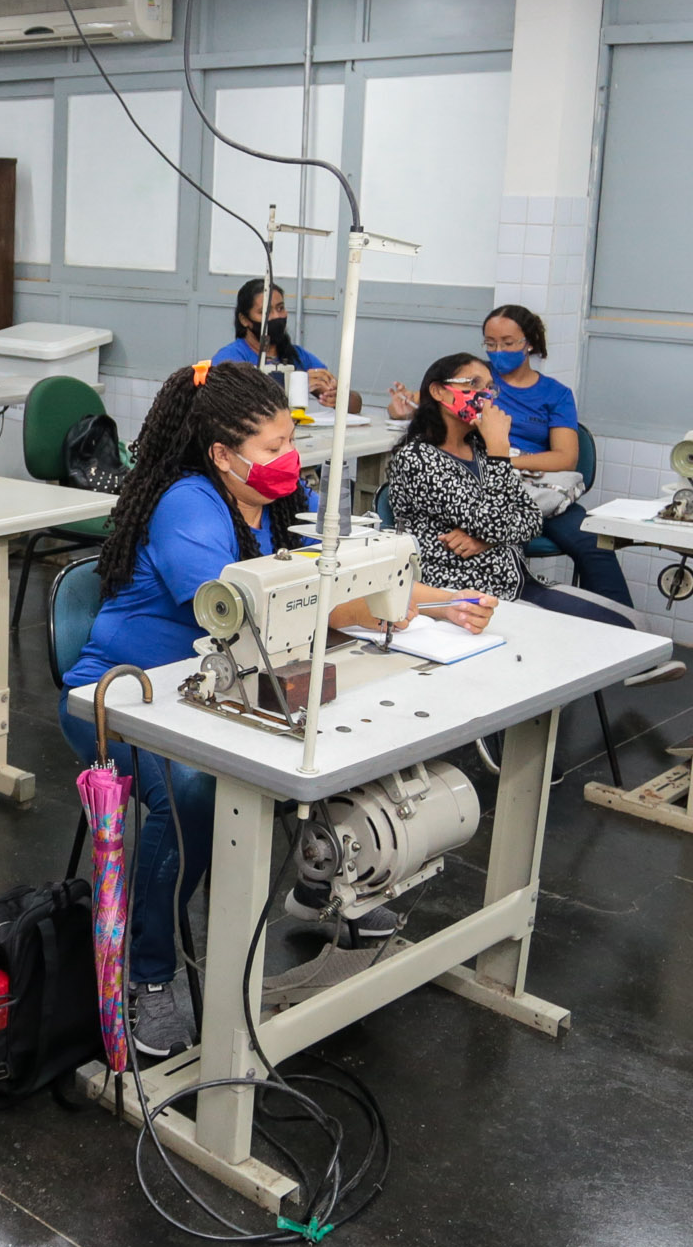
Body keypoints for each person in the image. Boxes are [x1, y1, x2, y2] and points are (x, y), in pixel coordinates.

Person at [60, 361, 495, 1057]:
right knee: (195, 795)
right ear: (222, 456)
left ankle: (319, 888)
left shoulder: (265, 507)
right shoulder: (189, 504)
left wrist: (440, 602)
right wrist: (381, 609)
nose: (287, 459)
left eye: (287, 441)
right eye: (269, 450)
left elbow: (326, 586)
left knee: (346, 730)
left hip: (221, 685)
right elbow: (247, 612)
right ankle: (147, 978)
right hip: (125, 694)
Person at [386, 305, 633, 608]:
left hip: (525, 498)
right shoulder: (422, 458)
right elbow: (420, 401)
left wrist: (498, 462)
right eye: (491, 344)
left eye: (507, 342)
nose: (487, 394)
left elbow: (531, 516)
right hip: (473, 586)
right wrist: (498, 457)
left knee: (595, 550)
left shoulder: (552, 395)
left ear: (529, 343)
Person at [213, 279, 350, 415]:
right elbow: (231, 406)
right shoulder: (231, 358)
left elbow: (355, 404)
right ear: (244, 320)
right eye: (265, 312)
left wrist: (338, 397)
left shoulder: (298, 356)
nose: (276, 316)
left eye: (280, 308)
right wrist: (297, 386)